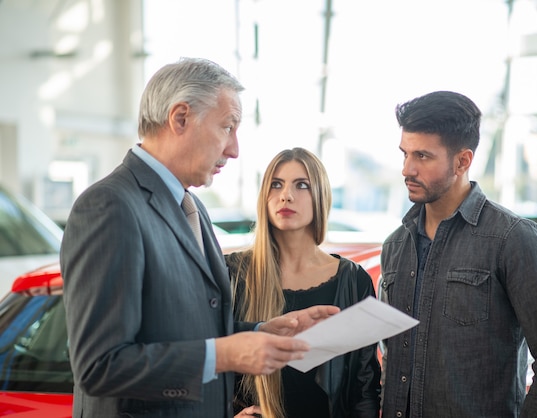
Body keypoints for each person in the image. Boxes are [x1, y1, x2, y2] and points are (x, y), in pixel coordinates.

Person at [60, 58, 339, 418]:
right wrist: (226, 355)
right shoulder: (109, 206)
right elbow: (100, 365)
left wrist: (261, 332)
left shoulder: (193, 208)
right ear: (180, 119)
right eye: (227, 127)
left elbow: (182, 327)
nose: (234, 149)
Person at [378, 91, 537, 417]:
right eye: (404, 154)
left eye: (423, 156)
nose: (407, 169)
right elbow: (392, 360)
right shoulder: (395, 247)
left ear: (463, 161)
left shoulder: (513, 240)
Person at [225, 147, 381, 418]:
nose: (286, 195)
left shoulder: (353, 281)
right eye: (276, 184)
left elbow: (364, 388)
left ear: (320, 196)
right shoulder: (233, 272)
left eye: (302, 185)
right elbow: (208, 359)